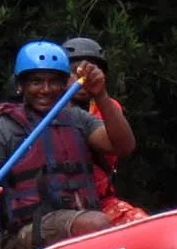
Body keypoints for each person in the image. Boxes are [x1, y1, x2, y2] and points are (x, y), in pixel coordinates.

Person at [0, 40, 137, 249]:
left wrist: (101, 96)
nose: (46, 90)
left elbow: (124, 147)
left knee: (114, 225)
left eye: (54, 82)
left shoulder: (77, 119)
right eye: (36, 82)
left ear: (65, 84)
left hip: (77, 217)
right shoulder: (4, 128)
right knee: (97, 224)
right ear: (21, 86)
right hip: (25, 231)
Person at [61, 36, 147, 226]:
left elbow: (123, 146)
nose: (82, 79)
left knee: (139, 222)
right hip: (59, 205)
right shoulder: (47, 111)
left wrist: (101, 95)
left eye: (90, 72)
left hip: (99, 201)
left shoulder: (108, 108)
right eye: (74, 72)